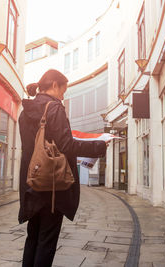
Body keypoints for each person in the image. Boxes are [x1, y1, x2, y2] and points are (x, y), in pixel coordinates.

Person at [18, 69, 107, 266]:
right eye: (63, 91)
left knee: (32, 238)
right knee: (46, 241)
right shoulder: (54, 108)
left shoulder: (26, 112)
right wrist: (99, 145)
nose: (63, 96)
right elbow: (66, 146)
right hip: (51, 186)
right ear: (55, 85)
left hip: (31, 182)